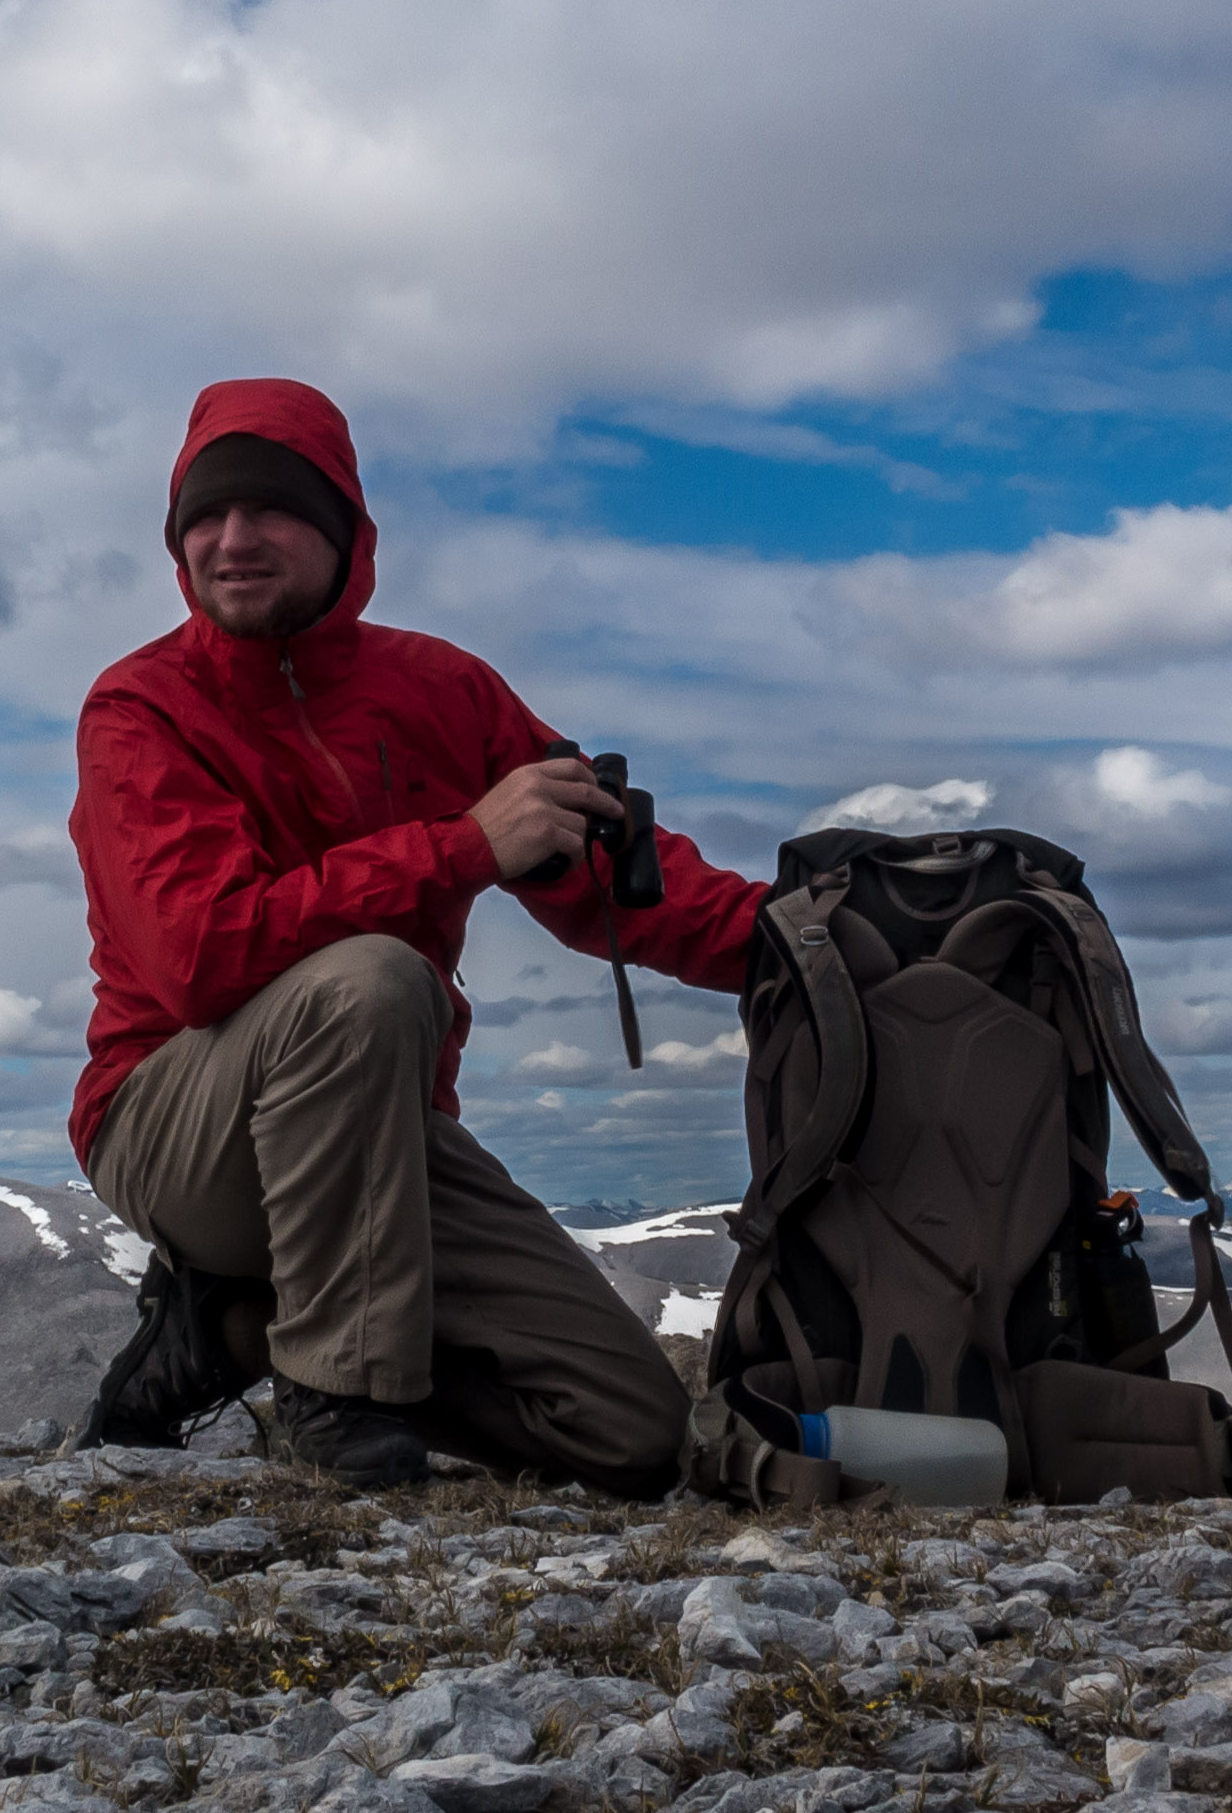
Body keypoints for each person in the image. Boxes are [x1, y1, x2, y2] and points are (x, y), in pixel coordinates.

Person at [65, 377, 767, 1492]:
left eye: (271, 509)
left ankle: (230, 1328)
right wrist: (461, 846)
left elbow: (617, 880)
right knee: (374, 981)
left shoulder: (444, 690)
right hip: (171, 1121)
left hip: (373, 1132)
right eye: (206, 514)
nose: (232, 540)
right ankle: (336, 1404)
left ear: (345, 531)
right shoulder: (140, 709)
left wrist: (804, 943)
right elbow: (201, 957)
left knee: (630, 1433)